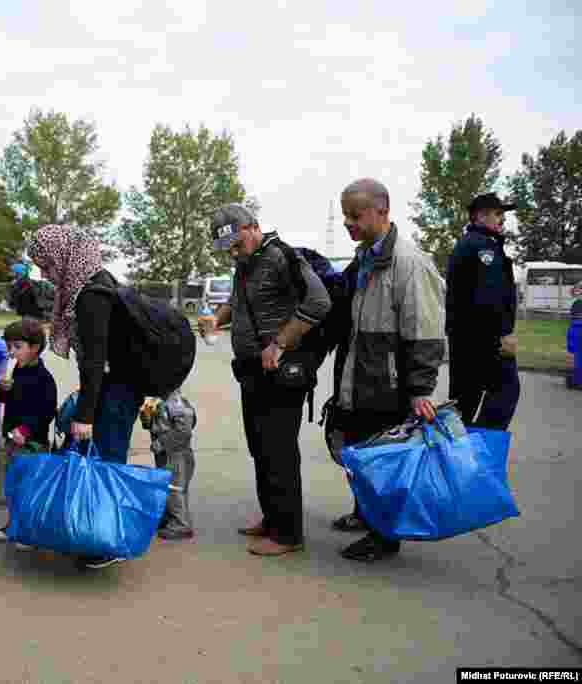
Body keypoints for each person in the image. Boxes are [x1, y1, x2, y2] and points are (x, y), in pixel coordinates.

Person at [329, 178, 446, 563]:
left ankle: (384, 537)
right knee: (361, 451)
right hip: (361, 377)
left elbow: (425, 331)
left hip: (389, 384)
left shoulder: (409, 263)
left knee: (386, 460)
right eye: (345, 214)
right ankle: (366, 514)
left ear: (382, 211)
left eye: (354, 215)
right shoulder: (365, 257)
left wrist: (421, 390)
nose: (347, 222)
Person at [205, 204, 332, 557]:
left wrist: (280, 342)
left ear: (253, 227)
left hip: (282, 370)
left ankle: (289, 534)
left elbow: (319, 302)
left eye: (236, 242)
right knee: (260, 447)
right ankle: (273, 518)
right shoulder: (245, 265)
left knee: (279, 450)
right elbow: (236, 302)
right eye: (227, 248)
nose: (233, 251)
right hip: (252, 371)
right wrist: (217, 320)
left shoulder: (281, 257)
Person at [26, 225, 148, 569]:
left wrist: (86, 414)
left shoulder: (92, 294)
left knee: (107, 462)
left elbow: (96, 360)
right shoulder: (96, 282)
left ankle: (106, 540)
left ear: (63, 257)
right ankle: (95, 532)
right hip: (115, 386)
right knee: (106, 459)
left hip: (117, 390)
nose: (44, 272)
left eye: (46, 263)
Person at [446, 193, 521, 429]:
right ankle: (477, 452)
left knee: (464, 404)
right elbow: (489, 296)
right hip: (483, 341)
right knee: (504, 391)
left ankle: (462, 452)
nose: (502, 220)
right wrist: (503, 334)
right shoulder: (482, 247)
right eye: (498, 214)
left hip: (470, 339)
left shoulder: (476, 243)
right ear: (479, 216)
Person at [0, 318, 58, 548]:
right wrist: (1, 389)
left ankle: (30, 533)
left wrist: (26, 430)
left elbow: (46, 412)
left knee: (30, 489)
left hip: (32, 444)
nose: (11, 352)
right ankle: (14, 525)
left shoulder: (44, 379)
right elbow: (6, 400)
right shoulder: (17, 371)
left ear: (35, 348)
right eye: (9, 347)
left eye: (17, 347)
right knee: (13, 486)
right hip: (11, 440)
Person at [139, 391, 197, 540]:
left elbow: (184, 431)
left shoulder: (176, 403)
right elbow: (149, 423)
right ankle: (169, 517)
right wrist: (146, 414)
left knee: (175, 489)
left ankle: (181, 524)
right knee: (166, 486)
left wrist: (162, 443)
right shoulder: (157, 400)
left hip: (177, 454)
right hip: (165, 454)